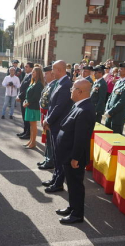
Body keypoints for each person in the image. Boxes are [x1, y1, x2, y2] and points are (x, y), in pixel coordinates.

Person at [55, 79, 96, 224]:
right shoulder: (78, 105)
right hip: (68, 154)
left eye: (73, 88)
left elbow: (81, 138)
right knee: (71, 185)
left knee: (76, 186)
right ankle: (72, 207)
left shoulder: (85, 110)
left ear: (80, 91)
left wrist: (75, 158)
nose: (70, 90)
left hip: (74, 157)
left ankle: (77, 214)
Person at [42, 60, 74, 193]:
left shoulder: (66, 84)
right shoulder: (59, 82)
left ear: (60, 70)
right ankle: (55, 178)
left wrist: (48, 120)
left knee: (60, 156)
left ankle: (59, 183)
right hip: (55, 124)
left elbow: (59, 107)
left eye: (53, 70)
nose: (51, 73)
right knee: (56, 155)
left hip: (60, 125)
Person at [104, 62, 125, 134]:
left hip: (117, 117)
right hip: (109, 115)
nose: (119, 70)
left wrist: (110, 112)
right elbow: (111, 96)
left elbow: (122, 102)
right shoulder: (118, 82)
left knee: (114, 140)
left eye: (121, 69)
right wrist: (107, 108)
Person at [38, 65, 57, 170]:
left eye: (46, 73)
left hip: (49, 116)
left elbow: (51, 103)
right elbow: (42, 99)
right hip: (45, 115)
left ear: (52, 74)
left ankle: (50, 161)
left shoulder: (54, 85)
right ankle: (47, 158)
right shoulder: (49, 85)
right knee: (47, 138)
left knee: (49, 139)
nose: (44, 76)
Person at [23, 66, 44, 149]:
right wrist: (25, 101)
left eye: (34, 72)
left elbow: (36, 97)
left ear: (38, 73)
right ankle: (31, 141)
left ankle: (33, 142)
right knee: (31, 125)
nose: (32, 73)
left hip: (33, 107)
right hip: (29, 105)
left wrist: (27, 103)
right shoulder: (33, 82)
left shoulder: (39, 84)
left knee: (33, 125)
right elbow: (28, 94)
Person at [16, 62, 33, 139]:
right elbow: (22, 87)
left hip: (26, 100)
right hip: (22, 99)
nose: (25, 68)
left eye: (27, 67)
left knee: (26, 118)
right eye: (25, 66)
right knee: (24, 116)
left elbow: (27, 89)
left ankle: (28, 133)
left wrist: (19, 96)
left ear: (31, 68)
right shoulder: (26, 75)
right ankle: (25, 131)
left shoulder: (32, 77)